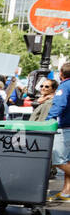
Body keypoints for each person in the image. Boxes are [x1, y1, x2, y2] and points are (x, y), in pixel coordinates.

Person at [49, 62, 70, 201]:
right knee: (67, 161)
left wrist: (48, 119)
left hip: (65, 127)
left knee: (58, 160)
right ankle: (66, 192)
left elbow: (60, 105)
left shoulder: (64, 86)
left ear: (61, 74)